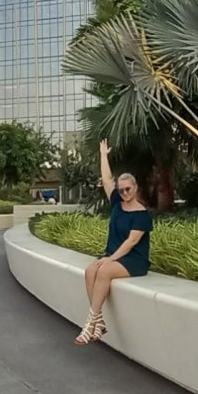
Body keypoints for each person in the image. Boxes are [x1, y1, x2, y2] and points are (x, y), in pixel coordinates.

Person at [77, 139, 152, 346]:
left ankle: (90, 323)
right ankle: (99, 321)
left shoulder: (142, 214)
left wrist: (110, 259)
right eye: (121, 190)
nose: (125, 193)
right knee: (90, 271)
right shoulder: (117, 204)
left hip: (133, 260)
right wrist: (103, 155)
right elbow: (107, 179)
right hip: (113, 256)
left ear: (135, 188)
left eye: (128, 189)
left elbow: (131, 242)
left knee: (103, 271)